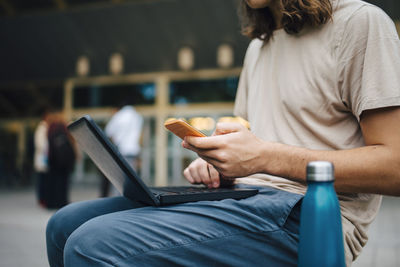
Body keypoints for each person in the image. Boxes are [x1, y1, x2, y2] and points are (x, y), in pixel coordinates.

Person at [46, 0, 400, 266]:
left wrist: (265, 157)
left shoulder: (359, 23)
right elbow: (247, 142)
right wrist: (220, 165)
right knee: (64, 224)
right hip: (245, 199)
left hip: (311, 215)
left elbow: (395, 166)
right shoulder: (258, 48)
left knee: (93, 243)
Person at [100, 104, 143, 197]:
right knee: (132, 179)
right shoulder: (137, 116)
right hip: (133, 152)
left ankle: (119, 201)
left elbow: (109, 132)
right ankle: (130, 200)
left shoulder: (118, 116)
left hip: (121, 151)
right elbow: (140, 137)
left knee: (119, 180)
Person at [46, 111, 77, 209]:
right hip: (63, 163)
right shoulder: (62, 131)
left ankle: (52, 202)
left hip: (54, 162)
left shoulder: (51, 130)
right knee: (62, 184)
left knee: (53, 183)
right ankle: (61, 202)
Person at [34, 108, 51, 207]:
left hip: (44, 158)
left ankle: (43, 198)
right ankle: (41, 199)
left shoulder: (46, 127)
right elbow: (41, 144)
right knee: (42, 181)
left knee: (44, 180)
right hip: (42, 158)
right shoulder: (42, 128)